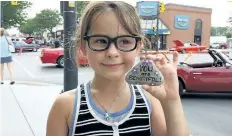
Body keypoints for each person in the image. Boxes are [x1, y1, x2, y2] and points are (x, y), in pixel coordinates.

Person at [46, 1, 189, 136]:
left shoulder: (150, 101)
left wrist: (172, 101)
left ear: (138, 47)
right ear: (83, 47)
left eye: (125, 41)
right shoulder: (65, 106)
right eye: (101, 41)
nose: (112, 53)